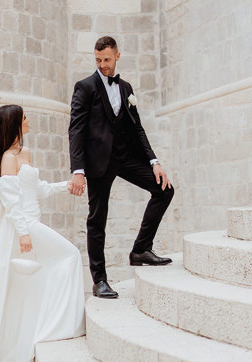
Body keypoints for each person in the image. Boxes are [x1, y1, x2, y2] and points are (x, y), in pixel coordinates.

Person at [0, 104, 85, 362]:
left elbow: (39, 189)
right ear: (14, 123)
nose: (28, 119)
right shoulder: (7, 159)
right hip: (25, 225)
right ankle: (61, 325)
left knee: (32, 282)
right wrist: (23, 232)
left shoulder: (24, 153)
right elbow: (11, 201)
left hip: (32, 220)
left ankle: (40, 329)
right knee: (70, 255)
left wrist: (65, 186)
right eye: (24, 117)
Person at [68, 36, 175, 299]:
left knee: (164, 190)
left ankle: (140, 249)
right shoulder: (85, 87)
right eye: (98, 60)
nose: (102, 65)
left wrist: (154, 162)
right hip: (98, 163)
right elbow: (76, 130)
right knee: (97, 220)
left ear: (117, 56)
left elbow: (137, 127)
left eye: (106, 59)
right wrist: (78, 170)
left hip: (126, 157)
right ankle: (99, 280)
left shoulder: (126, 87)